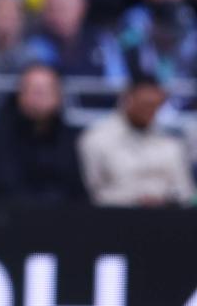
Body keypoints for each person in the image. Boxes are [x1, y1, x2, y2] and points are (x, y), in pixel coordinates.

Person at [79, 75, 196, 207]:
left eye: (155, 106)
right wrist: (137, 199)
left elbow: (186, 191)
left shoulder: (171, 143)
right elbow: (95, 192)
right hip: (115, 219)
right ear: (127, 99)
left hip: (168, 217)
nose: (150, 111)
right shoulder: (97, 139)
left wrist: (165, 198)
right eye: (145, 104)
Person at [0, 63, 85, 200]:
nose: (39, 98)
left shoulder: (70, 139)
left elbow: (76, 190)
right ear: (20, 94)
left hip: (62, 217)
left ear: (59, 96)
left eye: (46, 91)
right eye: (34, 91)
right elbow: (1, 186)